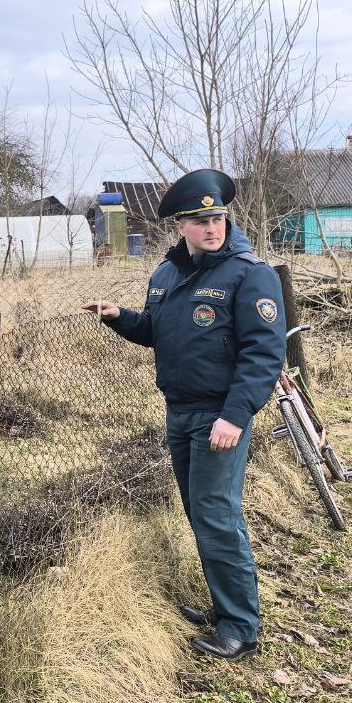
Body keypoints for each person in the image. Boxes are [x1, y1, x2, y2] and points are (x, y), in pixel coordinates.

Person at [82, 169, 285, 661]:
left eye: (217, 218)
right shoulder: (168, 273)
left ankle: (241, 628)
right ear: (181, 227)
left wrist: (235, 416)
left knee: (217, 514)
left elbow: (264, 353)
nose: (212, 227)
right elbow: (158, 330)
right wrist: (120, 318)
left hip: (221, 416)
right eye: (200, 221)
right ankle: (224, 605)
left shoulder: (248, 273)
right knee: (199, 512)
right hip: (180, 413)